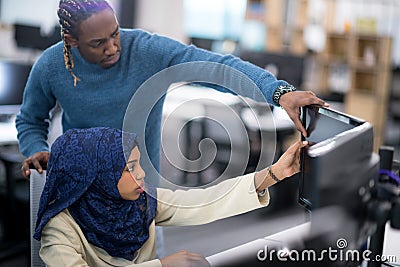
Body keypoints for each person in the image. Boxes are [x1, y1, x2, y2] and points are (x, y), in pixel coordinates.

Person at [17, 0, 328, 179]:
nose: (113, 48)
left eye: (115, 34)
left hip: (141, 186)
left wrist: (277, 91)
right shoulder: (51, 65)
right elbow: (31, 120)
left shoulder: (146, 50)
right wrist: (34, 150)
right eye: (99, 43)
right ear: (71, 41)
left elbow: (216, 67)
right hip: (82, 183)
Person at [34, 127, 307, 267]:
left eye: (139, 164)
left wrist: (273, 174)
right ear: (97, 177)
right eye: (130, 167)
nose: (141, 174)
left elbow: (202, 202)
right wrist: (163, 265)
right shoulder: (60, 228)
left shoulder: (140, 203)